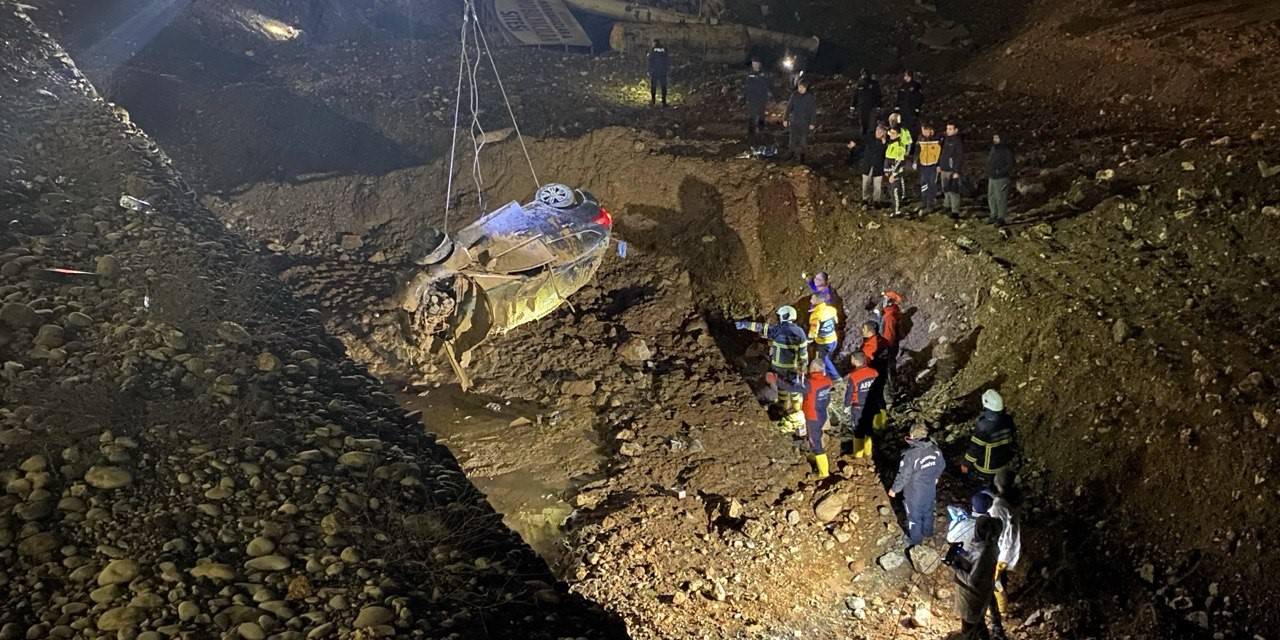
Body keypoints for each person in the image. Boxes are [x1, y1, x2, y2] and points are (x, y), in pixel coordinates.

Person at [736, 306, 809, 431]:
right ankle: (797, 417)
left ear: (784, 316)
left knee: (782, 391)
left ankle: (783, 413)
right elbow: (803, 353)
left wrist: (744, 324)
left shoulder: (778, 330)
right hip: (793, 368)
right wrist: (803, 366)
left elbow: (761, 328)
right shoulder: (800, 332)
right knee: (795, 393)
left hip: (779, 368)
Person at [970, 489, 1021, 640]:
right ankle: (998, 618)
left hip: (997, 559)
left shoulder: (987, 524)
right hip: (1001, 556)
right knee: (997, 583)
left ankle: (1001, 611)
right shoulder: (997, 516)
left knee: (996, 585)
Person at [888, 424, 944, 546]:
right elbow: (941, 465)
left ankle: (916, 541)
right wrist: (936, 477)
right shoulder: (935, 450)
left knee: (914, 516)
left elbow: (904, 475)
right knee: (928, 511)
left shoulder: (910, 454)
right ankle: (928, 532)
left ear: (912, 435)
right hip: (930, 489)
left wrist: (895, 489)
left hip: (914, 493)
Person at [951, 514, 1003, 640]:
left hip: (971, 597)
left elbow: (973, 580)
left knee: (971, 627)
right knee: (978, 624)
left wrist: (955, 567)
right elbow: (974, 561)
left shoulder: (984, 552)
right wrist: (960, 554)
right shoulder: (987, 545)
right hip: (981, 591)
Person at [961, 390, 1017, 485]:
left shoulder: (984, 426)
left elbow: (976, 448)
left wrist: (966, 463)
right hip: (1003, 464)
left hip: (986, 469)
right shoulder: (1008, 420)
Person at [801, 359, 835, 478]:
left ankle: (824, 472)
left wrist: (776, 380)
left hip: (812, 416)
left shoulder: (810, 383)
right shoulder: (827, 381)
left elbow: (793, 387)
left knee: (815, 443)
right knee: (817, 434)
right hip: (821, 414)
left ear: (814, 369)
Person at [844, 352, 878, 458]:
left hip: (858, 407)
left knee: (858, 431)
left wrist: (846, 405)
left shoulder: (854, 376)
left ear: (854, 360)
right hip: (871, 405)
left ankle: (858, 456)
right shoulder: (874, 373)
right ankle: (868, 453)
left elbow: (849, 393)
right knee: (869, 430)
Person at [850, 124, 887, 208]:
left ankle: (876, 201)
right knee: (865, 183)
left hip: (878, 166)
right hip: (868, 165)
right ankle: (865, 199)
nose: (878, 132)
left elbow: (886, 155)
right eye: (877, 130)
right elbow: (861, 146)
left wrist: (884, 144)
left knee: (877, 185)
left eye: (880, 131)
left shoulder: (885, 143)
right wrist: (854, 147)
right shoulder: (870, 138)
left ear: (884, 133)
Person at [808, 293, 839, 378]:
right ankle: (827, 377)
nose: (810, 301)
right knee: (827, 359)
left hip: (823, 343)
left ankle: (836, 377)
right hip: (833, 340)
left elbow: (813, 332)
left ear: (817, 300)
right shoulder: (832, 309)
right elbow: (836, 322)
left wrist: (808, 339)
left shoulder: (815, 315)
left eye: (812, 299)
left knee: (822, 361)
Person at [784, 80, 817, 163]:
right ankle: (791, 153)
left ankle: (802, 157)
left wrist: (812, 123)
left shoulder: (810, 97)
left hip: (805, 122)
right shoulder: (794, 95)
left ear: (806, 88)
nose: (801, 89)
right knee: (792, 139)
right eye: (799, 87)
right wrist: (785, 119)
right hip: (794, 121)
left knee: (803, 140)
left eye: (803, 87)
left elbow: (813, 111)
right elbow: (789, 107)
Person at [987, 133, 1015, 225]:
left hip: (1001, 178)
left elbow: (1010, 164)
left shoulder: (1006, 150)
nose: (995, 139)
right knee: (991, 196)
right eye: (994, 137)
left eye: (997, 138)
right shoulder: (993, 149)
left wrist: (1000, 172)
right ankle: (993, 214)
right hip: (992, 177)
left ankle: (1001, 217)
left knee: (1001, 198)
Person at [940, 122, 965, 218]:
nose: (948, 131)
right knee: (945, 189)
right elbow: (942, 154)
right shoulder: (945, 140)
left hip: (952, 170)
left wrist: (956, 171)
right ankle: (947, 205)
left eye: (950, 129)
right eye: (947, 129)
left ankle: (955, 210)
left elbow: (959, 157)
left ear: (955, 130)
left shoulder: (957, 142)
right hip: (944, 168)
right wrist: (940, 165)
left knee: (953, 190)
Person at [916, 123, 943, 213]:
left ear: (930, 130)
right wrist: (915, 161)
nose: (923, 132)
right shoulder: (921, 138)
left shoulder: (937, 139)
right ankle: (924, 201)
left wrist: (939, 165)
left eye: (925, 130)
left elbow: (941, 153)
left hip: (933, 165)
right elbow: (917, 150)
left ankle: (930, 205)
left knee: (931, 184)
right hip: (923, 165)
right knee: (923, 184)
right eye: (922, 130)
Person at [884, 126, 911, 216]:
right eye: (890, 133)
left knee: (895, 191)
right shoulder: (891, 143)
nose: (891, 135)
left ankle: (896, 210)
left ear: (898, 135)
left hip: (895, 172)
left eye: (893, 133)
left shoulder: (900, 145)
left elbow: (900, 161)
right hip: (889, 171)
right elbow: (887, 158)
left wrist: (893, 174)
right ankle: (893, 208)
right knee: (890, 191)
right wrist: (886, 171)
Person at [744, 57, 771, 141]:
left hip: (761, 99)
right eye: (754, 64)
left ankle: (761, 132)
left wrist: (767, 96)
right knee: (752, 116)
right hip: (752, 99)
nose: (755, 65)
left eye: (756, 63)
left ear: (759, 64)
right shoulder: (750, 74)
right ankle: (751, 134)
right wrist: (747, 98)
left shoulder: (763, 74)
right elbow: (747, 87)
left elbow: (766, 86)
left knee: (761, 116)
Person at [896, 70, 924, 140]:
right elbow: (899, 97)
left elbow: (919, 97)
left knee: (912, 126)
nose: (905, 77)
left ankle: (912, 139)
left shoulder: (916, 85)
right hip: (903, 110)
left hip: (911, 110)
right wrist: (897, 107)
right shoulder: (902, 86)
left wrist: (917, 108)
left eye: (906, 76)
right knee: (903, 125)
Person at [853, 69, 881, 137]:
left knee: (872, 124)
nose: (864, 76)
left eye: (865, 74)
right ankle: (864, 137)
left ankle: (871, 137)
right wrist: (853, 106)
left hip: (872, 107)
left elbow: (878, 95)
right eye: (863, 74)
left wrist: (879, 106)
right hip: (862, 106)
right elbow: (855, 95)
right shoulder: (859, 84)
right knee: (863, 123)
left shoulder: (874, 84)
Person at [647, 40, 669, 107]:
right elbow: (667, 60)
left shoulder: (652, 50)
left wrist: (649, 70)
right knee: (663, 86)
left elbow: (650, 60)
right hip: (663, 71)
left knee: (653, 86)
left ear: (654, 43)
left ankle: (653, 101)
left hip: (655, 71)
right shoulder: (664, 49)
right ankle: (664, 102)